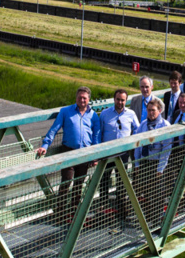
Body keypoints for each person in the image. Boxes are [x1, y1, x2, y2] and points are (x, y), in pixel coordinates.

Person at [36, 86, 101, 223]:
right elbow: (54, 129)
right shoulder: (66, 111)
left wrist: (95, 155)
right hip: (68, 151)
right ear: (76, 98)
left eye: (84, 98)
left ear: (89, 99)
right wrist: (45, 145)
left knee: (79, 183)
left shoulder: (93, 115)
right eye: (79, 97)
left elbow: (96, 136)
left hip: (85, 153)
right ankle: (60, 213)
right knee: (66, 181)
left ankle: (74, 212)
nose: (82, 100)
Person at [99, 88, 139, 220]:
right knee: (104, 180)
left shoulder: (131, 114)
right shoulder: (105, 114)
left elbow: (137, 129)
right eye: (118, 99)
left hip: (123, 154)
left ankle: (121, 210)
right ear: (114, 99)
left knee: (121, 181)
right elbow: (100, 133)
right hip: (107, 153)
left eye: (122, 100)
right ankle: (103, 208)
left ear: (126, 101)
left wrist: (132, 143)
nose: (120, 102)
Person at [132, 99, 172, 221]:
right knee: (146, 191)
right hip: (145, 162)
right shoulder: (143, 125)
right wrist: (137, 164)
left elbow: (166, 149)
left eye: (153, 110)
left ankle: (157, 217)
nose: (151, 113)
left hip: (156, 163)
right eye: (149, 110)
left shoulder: (165, 125)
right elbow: (137, 146)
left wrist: (160, 169)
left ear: (159, 110)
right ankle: (148, 217)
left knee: (157, 193)